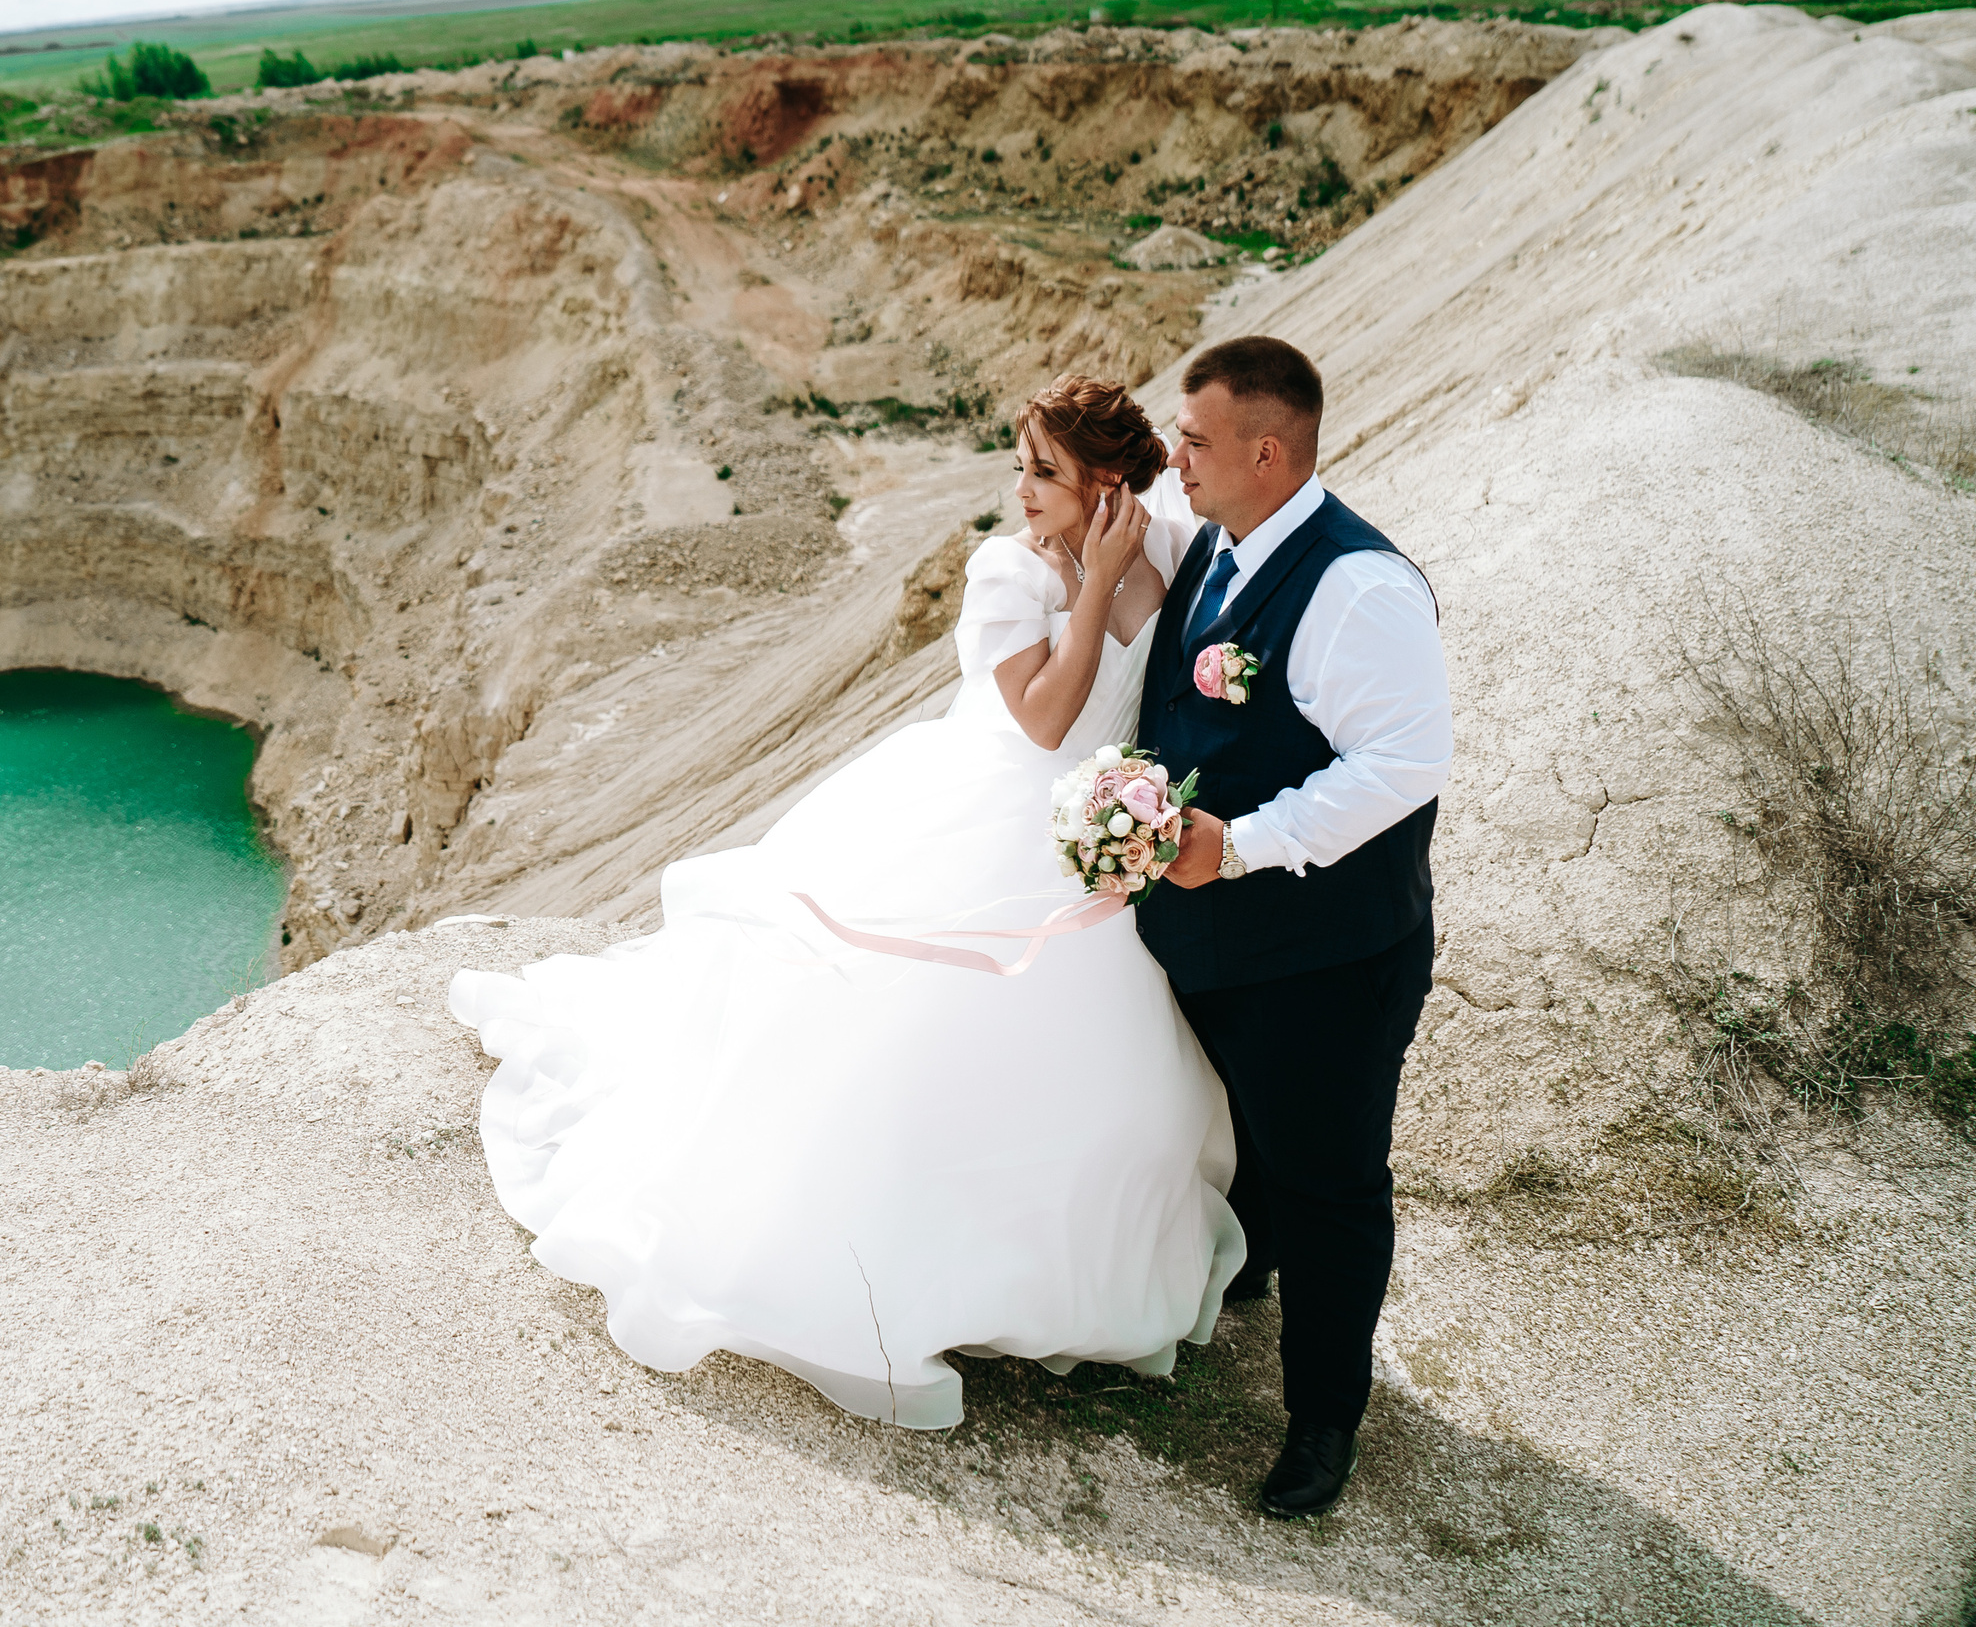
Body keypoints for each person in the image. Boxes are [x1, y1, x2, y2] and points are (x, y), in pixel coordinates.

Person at [450, 376, 1244, 1430]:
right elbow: (1049, 721)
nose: (1020, 489)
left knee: (1086, 1064)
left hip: (1088, 842)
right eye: (1020, 465)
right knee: (901, 1041)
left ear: (1108, 479)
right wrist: (1093, 581)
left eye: (1044, 471)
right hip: (990, 818)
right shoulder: (1007, 571)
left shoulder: (1171, 543)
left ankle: (1026, 1272)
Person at [1137, 336, 1452, 1518]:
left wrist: (1241, 844)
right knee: (1251, 1131)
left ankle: (1324, 1418)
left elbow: (1406, 762)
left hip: (1325, 959)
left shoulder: (1357, 587)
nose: (1180, 457)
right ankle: (1249, 1264)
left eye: (1197, 440)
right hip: (1220, 944)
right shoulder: (1219, 551)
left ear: (1266, 452)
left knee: (1328, 1179)